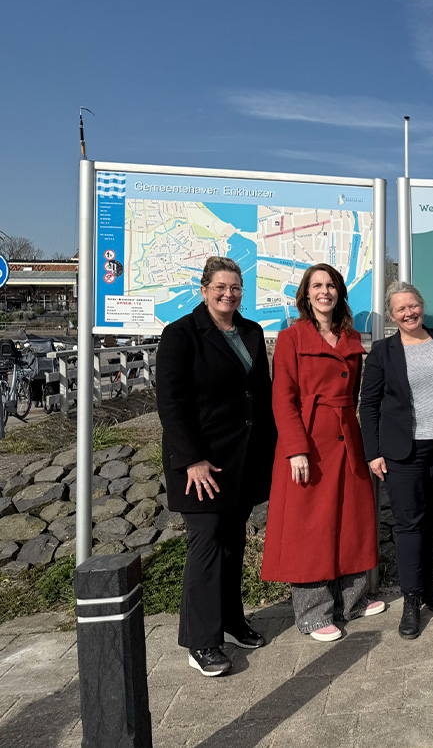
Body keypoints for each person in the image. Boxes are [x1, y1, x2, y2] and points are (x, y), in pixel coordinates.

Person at [156, 256, 276, 677]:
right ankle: (201, 641)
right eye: (221, 287)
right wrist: (192, 459)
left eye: (236, 288)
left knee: (233, 542)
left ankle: (230, 619)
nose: (229, 294)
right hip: (200, 463)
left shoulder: (251, 332)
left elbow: (260, 395)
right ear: (204, 289)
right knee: (206, 544)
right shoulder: (181, 335)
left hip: (242, 458)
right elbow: (171, 404)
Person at [261, 263, 383, 642]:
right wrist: (296, 449)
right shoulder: (291, 338)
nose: (324, 292)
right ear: (306, 294)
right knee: (309, 525)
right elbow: (283, 399)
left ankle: (352, 600)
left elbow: (355, 394)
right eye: (317, 285)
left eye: (330, 285)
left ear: (339, 293)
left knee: (352, 519)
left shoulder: (350, 340)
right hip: (309, 441)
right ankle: (313, 612)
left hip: (347, 437)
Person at [360, 283, 433, 639]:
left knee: (431, 520)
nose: (409, 313)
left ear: (422, 305)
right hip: (402, 452)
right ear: (392, 316)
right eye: (400, 309)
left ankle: (428, 588)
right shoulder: (382, 352)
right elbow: (369, 406)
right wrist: (373, 453)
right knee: (408, 525)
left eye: (413, 305)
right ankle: (410, 600)